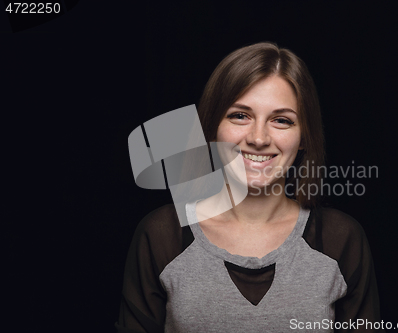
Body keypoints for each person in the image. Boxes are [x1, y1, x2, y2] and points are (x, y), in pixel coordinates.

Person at [116, 42, 382, 332]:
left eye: (281, 120)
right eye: (240, 115)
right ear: (212, 126)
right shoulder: (162, 234)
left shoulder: (340, 240)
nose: (258, 138)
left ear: (304, 137)